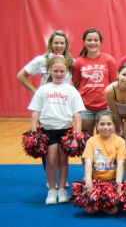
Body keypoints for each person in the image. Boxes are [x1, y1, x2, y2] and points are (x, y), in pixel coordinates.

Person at [17, 30, 74, 185]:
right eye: (56, 42)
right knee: (47, 143)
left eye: (62, 43)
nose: (59, 45)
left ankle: (62, 179)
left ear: (66, 44)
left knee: (62, 146)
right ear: (51, 44)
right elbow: (21, 75)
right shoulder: (41, 60)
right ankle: (50, 179)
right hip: (47, 108)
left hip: (63, 108)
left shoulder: (71, 61)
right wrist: (36, 92)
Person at [28, 57, 85, 204]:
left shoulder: (71, 90)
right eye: (56, 71)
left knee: (63, 161)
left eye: (62, 71)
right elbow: (35, 110)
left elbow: (77, 112)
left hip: (65, 130)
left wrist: (77, 131)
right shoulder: (43, 89)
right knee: (51, 161)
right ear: (50, 71)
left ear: (67, 72)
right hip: (48, 130)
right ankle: (52, 190)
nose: (59, 73)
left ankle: (62, 189)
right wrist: (34, 130)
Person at [73, 28, 118, 136]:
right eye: (89, 40)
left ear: (100, 42)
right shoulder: (78, 62)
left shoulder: (109, 60)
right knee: (85, 140)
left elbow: (114, 84)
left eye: (95, 40)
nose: (92, 43)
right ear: (84, 42)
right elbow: (76, 84)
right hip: (85, 108)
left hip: (105, 107)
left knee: (104, 140)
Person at [82, 111, 126, 214]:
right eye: (102, 124)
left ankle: (106, 203)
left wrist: (118, 184)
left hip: (111, 181)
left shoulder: (120, 141)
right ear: (96, 125)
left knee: (112, 211)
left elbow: (120, 164)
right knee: (89, 210)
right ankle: (99, 202)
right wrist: (88, 181)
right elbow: (88, 162)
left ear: (113, 124)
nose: (105, 127)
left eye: (109, 124)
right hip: (96, 181)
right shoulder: (91, 141)